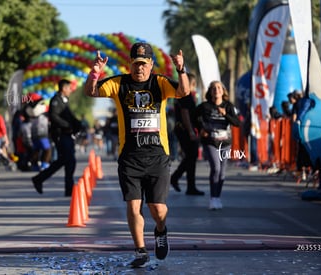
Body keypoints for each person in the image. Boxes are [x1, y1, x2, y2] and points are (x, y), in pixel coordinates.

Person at [84, 42, 190, 268]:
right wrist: (95, 72)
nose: (139, 68)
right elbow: (91, 91)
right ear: (130, 64)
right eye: (135, 64)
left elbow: (184, 92)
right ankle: (140, 250)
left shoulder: (159, 83)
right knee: (133, 206)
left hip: (157, 157)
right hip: (130, 158)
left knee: (158, 210)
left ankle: (161, 231)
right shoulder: (119, 83)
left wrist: (181, 70)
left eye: (143, 64)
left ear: (151, 64)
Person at [32, 79, 84, 197]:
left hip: (67, 135)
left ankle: (67, 189)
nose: (71, 90)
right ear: (64, 88)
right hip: (61, 135)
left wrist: (78, 124)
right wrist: (68, 125)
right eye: (69, 88)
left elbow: (70, 116)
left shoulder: (64, 101)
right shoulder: (56, 101)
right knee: (66, 160)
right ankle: (39, 179)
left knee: (69, 161)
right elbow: (54, 117)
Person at [195, 81, 240, 210]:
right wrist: (201, 129)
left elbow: (237, 123)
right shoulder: (205, 106)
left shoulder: (228, 106)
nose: (216, 90)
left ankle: (217, 197)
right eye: (214, 88)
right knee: (216, 168)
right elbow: (194, 117)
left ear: (223, 91)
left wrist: (225, 114)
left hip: (225, 142)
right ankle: (213, 198)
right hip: (210, 142)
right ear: (210, 91)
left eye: (219, 87)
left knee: (222, 172)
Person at [170, 73, 204, 195]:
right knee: (191, 156)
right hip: (185, 130)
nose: (194, 87)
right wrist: (190, 131)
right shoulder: (185, 95)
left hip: (183, 129)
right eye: (193, 84)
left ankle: (187, 184)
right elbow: (185, 113)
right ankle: (178, 179)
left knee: (191, 157)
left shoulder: (181, 94)